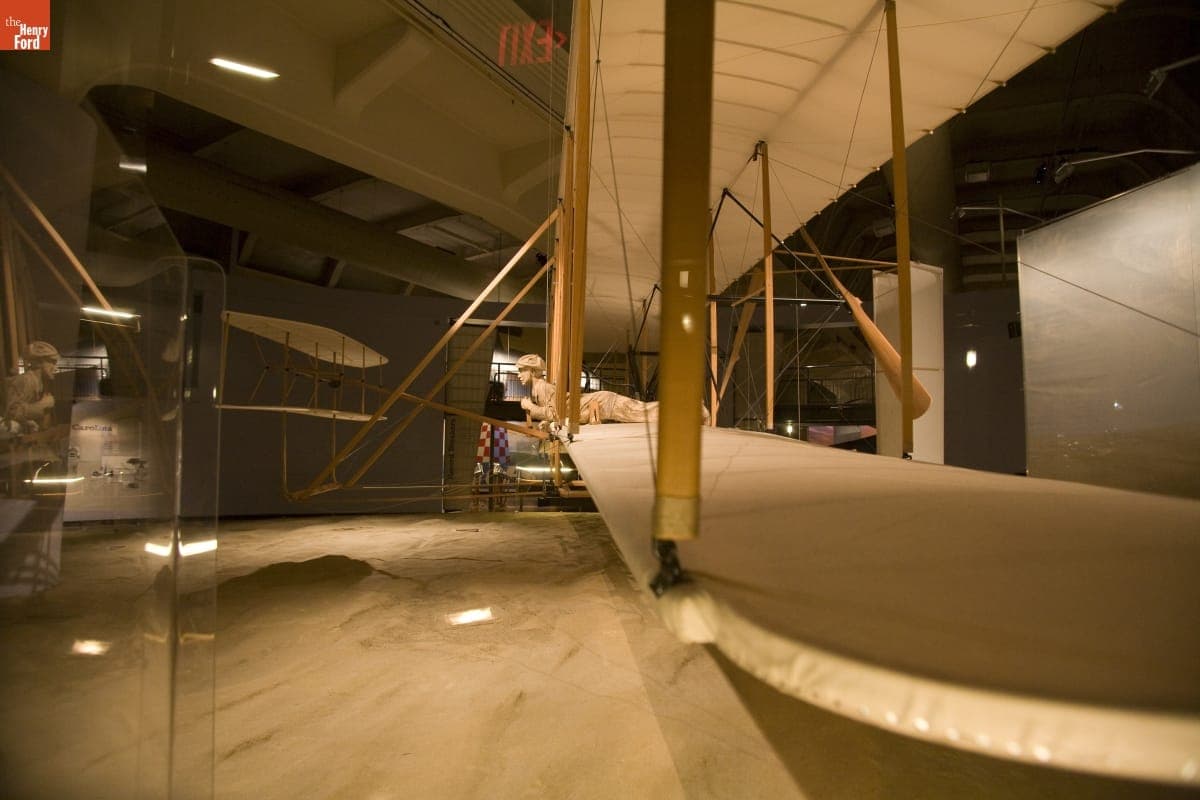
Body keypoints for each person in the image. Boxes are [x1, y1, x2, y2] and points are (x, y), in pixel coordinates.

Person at [515, 353, 665, 426]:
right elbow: (556, 413)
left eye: (522, 370)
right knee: (641, 412)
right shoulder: (538, 390)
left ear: (533, 371)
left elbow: (555, 413)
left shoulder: (543, 388)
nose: (519, 375)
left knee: (642, 413)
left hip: (602, 402)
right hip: (596, 405)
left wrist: (530, 408)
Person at [2, 341, 59, 436]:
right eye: (52, 362)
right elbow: (12, 412)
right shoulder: (25, 380)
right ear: (39, 363)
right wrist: (42, 405)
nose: (55, 368)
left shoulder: (40, 383)